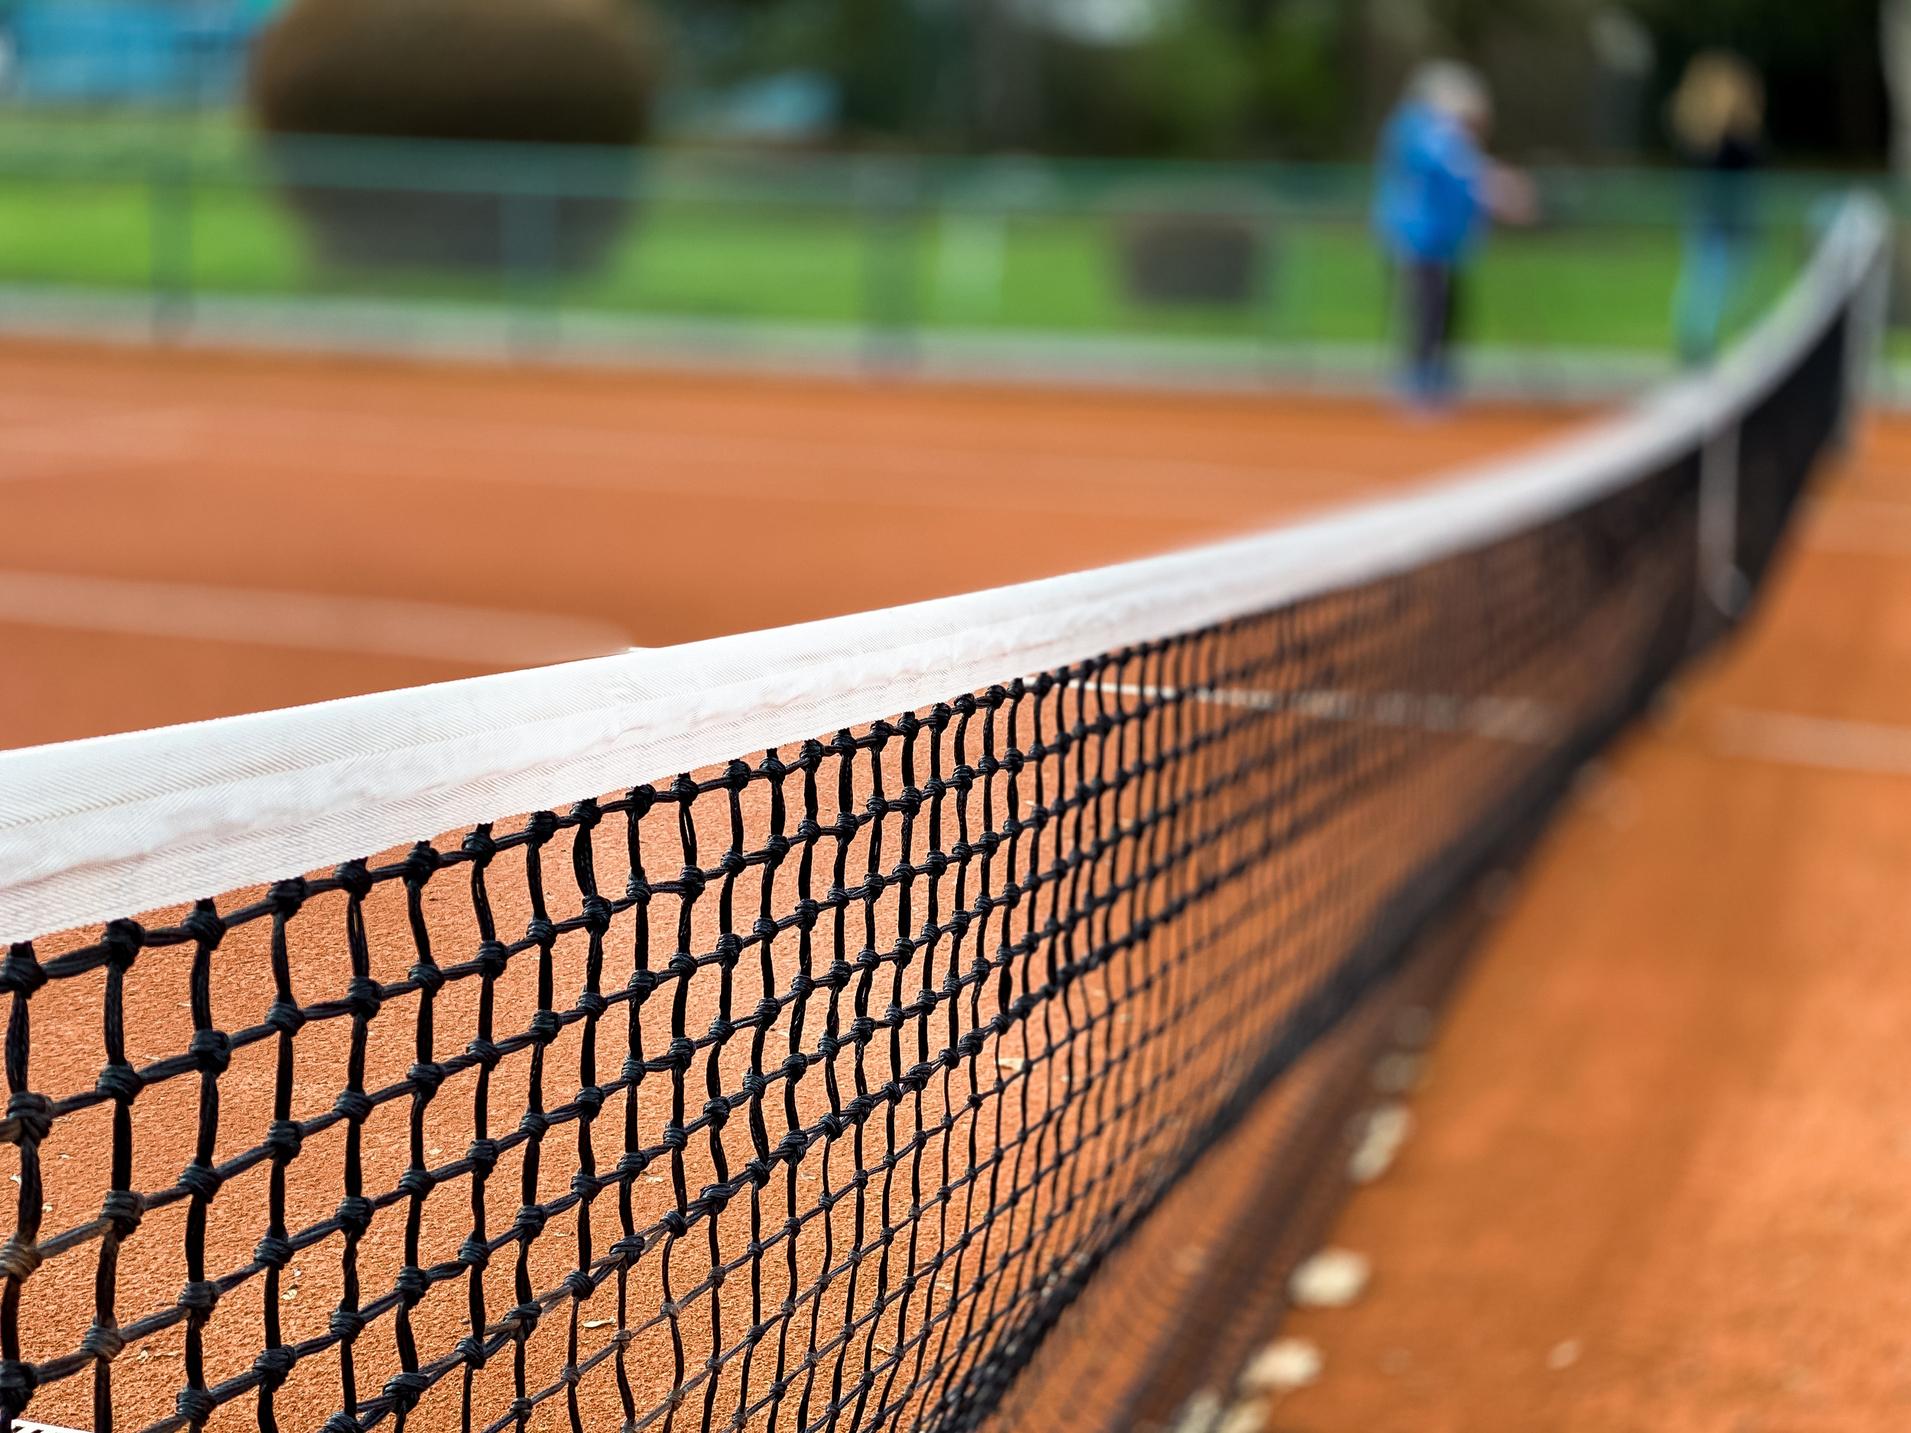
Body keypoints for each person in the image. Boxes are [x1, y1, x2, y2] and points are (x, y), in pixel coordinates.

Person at [1373, 61, 1534, 409]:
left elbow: (1465, 175)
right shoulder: (1421, 127)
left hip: (1446, 243)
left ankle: (1438, 375)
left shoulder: (1446, 135)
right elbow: (1454, 167)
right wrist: (1497, 186)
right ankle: (1417, 379)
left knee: (1447, 308)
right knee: (1425, 308)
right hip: (1419, 240)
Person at [1669, 51, 1763, 366]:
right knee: (1708, 284)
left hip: (1734, 220)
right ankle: (1698, 347)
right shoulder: (1714, 138)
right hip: (1715, 220)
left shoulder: (1737, 136)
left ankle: (1721, 346)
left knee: (1730, 287)